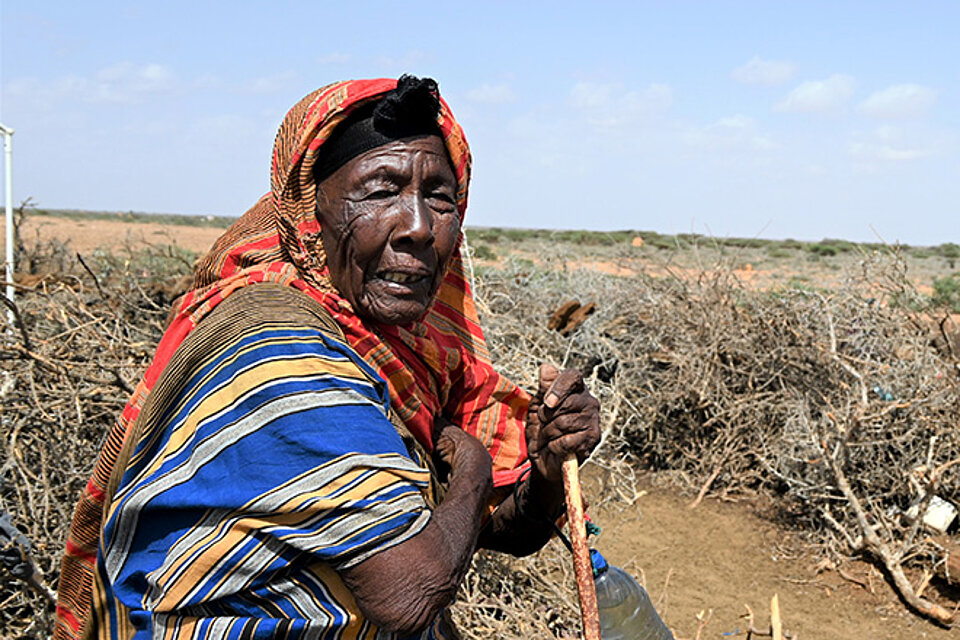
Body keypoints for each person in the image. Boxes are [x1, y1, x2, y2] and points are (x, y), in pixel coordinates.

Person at [54, 76, 600, 640]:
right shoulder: (277, 350)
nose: (417, 226)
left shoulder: (404, 354)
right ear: (310, 213)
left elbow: (502, 531)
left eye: (439, 195)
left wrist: (545, 463)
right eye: (380, 190)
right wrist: (476, 472)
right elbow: (411, 590)